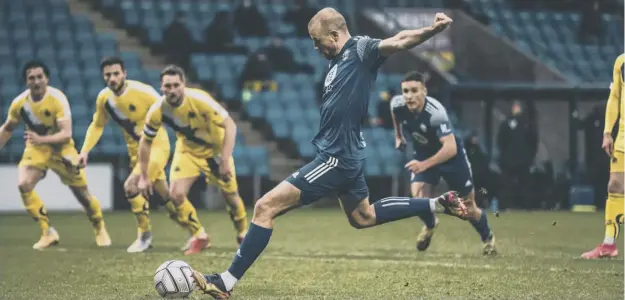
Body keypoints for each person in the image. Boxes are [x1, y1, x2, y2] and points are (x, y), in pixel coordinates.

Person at [185, 8, 464, 299]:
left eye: (319, 41)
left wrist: (430, 32)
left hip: (336, 158)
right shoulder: (336, 62)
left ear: (334, 34)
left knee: (265, 207)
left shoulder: (361, 49)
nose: (316, 48)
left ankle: (225, 281)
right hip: (348, 154)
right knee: (363, 217)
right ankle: (436, 205)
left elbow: (400, 39)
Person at [77, 57, 206, 254]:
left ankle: (144, 236)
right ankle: (199, 233)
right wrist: (84, 151)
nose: (112, 78)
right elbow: (97, 125)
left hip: (157, 147)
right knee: (168, 198)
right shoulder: (104, 99)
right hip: (137, 153)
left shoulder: (143, 92)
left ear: (124, 74)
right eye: (108, 75)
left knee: (131, 186)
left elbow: (169, 110)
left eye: (116, 73)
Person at [137, 65, 249, 255]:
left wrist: (224, 160)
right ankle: (200, 236)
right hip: (188, 151)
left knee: (230, 196)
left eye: (175, 85)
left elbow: (230, 125)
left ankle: (243, 234)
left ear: (183, 85)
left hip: (215, 151)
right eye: (167, 86)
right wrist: (144, 176)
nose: (171, 90)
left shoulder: (200, 100)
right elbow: (145, 142)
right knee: (176, 194)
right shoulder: (158, 110)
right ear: (161, 88)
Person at [0, 60, 111, 250]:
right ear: (26, 81)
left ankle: (99, 225)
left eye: (39, 77)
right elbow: (8, 128)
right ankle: (48, 232)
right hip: (37, 149)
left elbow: (65, 133)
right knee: (24, 184)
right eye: (31, 78)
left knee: (83, 196)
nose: (36, 81)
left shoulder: (57, 99)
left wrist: (40, 139)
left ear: (47, 78)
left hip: (62, 149)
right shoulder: (20, 104)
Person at [390, 72, 496, 254]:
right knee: (418, 198)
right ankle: (430, 225)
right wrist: (398, 136)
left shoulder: (436, 113)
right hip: (423, 154)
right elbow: (395, 115)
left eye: (414, 90)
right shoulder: (397, 104)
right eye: (405, 91)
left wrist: (423, 165)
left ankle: (488, 239)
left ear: (424, 91)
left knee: (467, 209)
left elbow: (450, 148)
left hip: (451, 158)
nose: (409, 95)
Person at [582, 54, 624, 259]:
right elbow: (615, 96)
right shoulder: (621, 62)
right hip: (623, 137)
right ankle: (609, 244)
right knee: (614, 186)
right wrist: (608, 132)